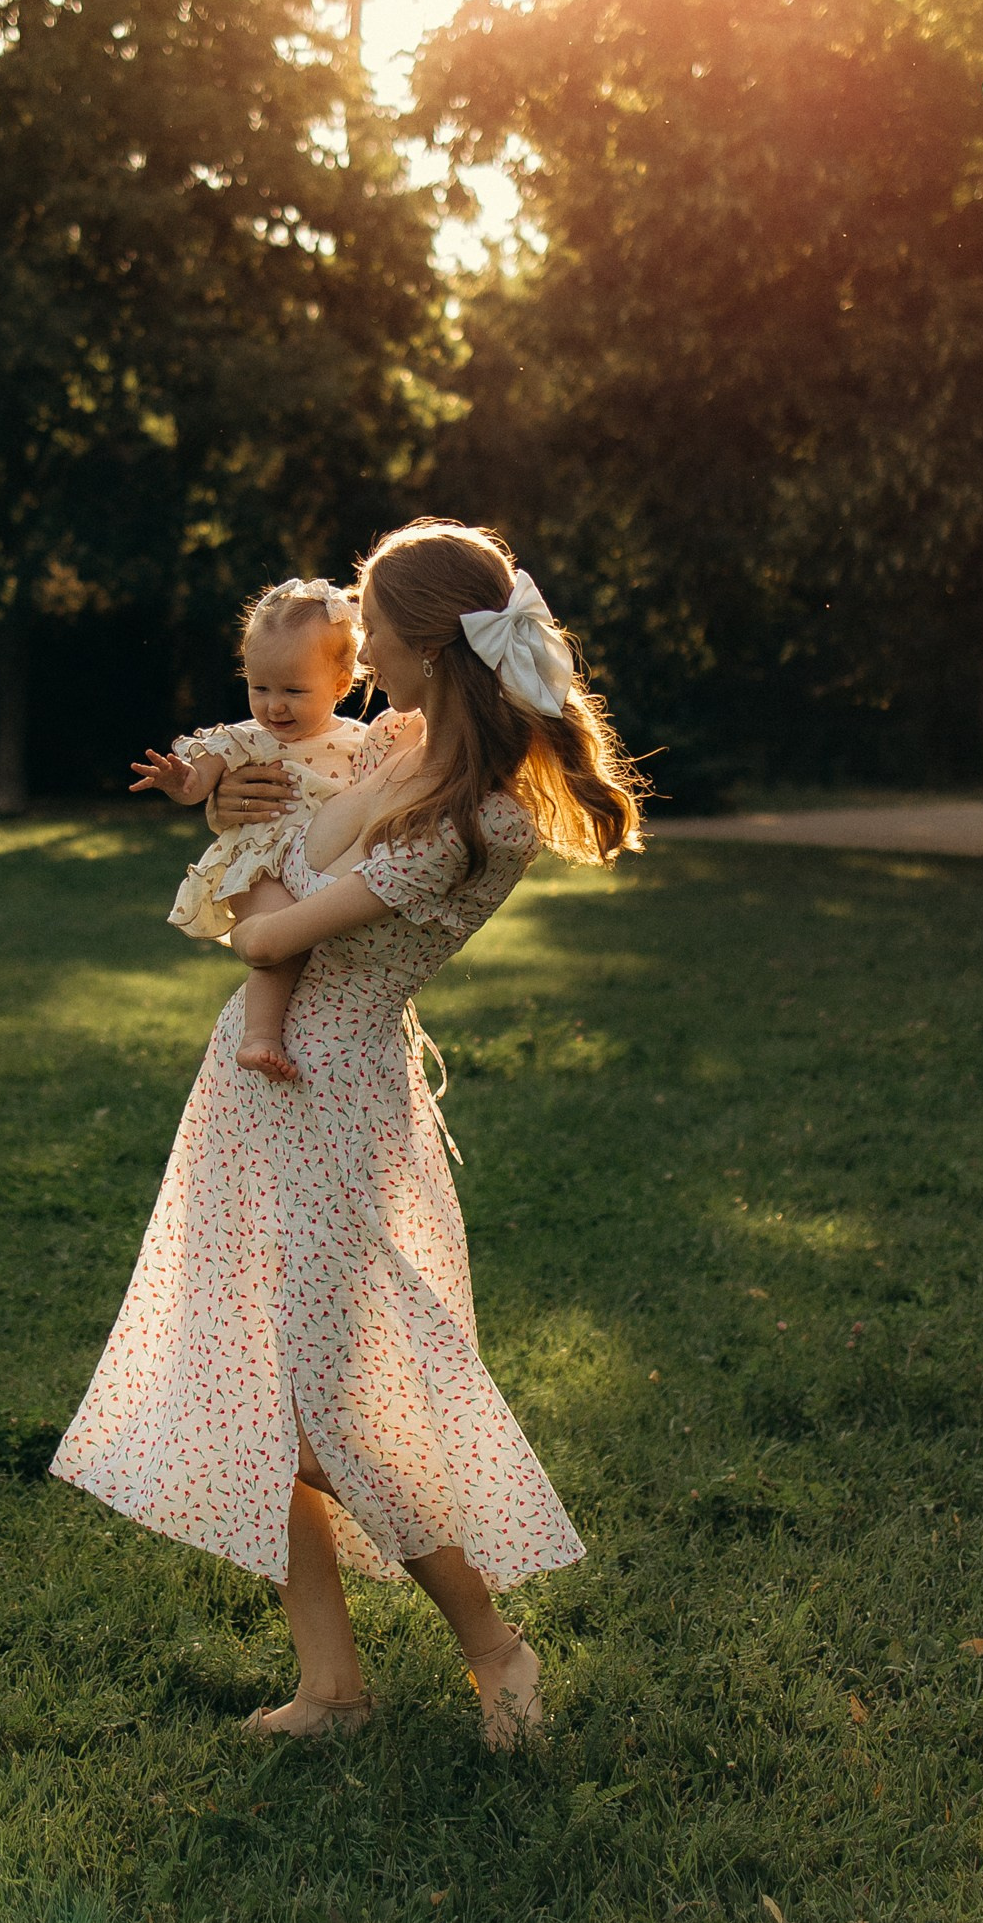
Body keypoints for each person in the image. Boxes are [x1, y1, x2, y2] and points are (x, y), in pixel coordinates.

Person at [53, 519, 644, 1746]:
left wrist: (245, 870)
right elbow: (284, 802)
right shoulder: (396, 744)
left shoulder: (480, 818)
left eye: (371, 625)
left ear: (429, 645)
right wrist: (227, 791)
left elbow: (271, 936)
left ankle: (495, 1647)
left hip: (335, 1092)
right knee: (248, 1386)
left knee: (326, 1403)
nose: (355, 642)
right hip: (254, 1084)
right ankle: (331, 1686)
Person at [128, 578, 367, 1081]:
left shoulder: (362, 744)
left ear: (341, 684)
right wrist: (181, 784)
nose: (274, 706)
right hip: (263, 866)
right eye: (260, 688)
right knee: (277, 943)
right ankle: (259, 1035)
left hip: (332, 864)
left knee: (330, 949)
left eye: (293, 691)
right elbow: (199, 784)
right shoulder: (244, 740)